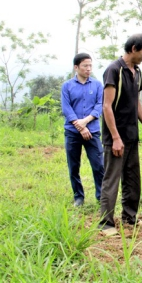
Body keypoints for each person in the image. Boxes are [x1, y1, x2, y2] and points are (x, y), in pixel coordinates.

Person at [99, 33, 142, 236]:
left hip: (132, 135)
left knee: (133, 179)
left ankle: (129, 217)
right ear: (134, 49)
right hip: (115, 136)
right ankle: (106, 223)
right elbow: (107, 106)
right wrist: (115, 137)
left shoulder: (137, 72)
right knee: (112, 179)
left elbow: (136, 103)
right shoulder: (114, 70)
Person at [61, 53, 104, 207]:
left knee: (99, 165)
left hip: (92, 130)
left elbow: (99, 105)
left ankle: (101, 197)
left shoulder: (98, 85)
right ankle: (78, 197)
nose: (88, 68)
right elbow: (66, 108)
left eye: (90, 65)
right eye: (85, 65)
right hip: (72, 132)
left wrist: (85, 122)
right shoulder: (67, 86)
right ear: (76, 67)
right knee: (73, 166)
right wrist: (79, 126)